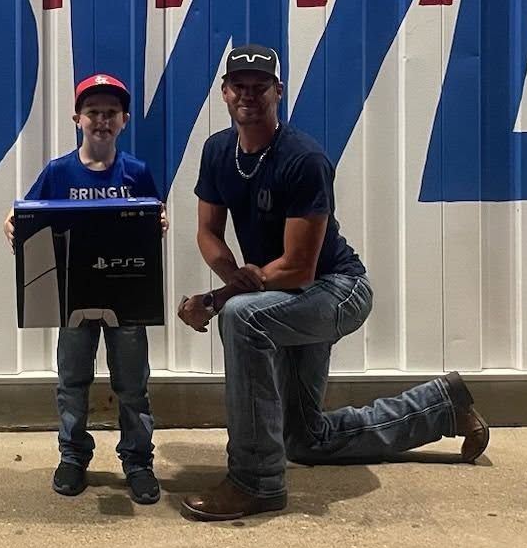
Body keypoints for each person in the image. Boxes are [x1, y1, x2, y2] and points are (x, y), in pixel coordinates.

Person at [175, 44, 490, 522]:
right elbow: (208, 231)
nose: (249, 95)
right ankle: (442, 406)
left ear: (278, 92)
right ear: (224, 93)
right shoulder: (218, 152)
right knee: (306, 439)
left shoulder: (303, 159)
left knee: (242, 319)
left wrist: (217, 299)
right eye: (239, 86)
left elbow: (300, 269)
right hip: (279, 296)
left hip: (336, 289)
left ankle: (255, 481)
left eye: (260, 87)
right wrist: (230, 277)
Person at [4, 73, 169, 505]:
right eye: (93, 112)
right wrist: (13, 224)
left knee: (132, 385)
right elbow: (25, 218)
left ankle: (138, 462)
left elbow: (154, 221)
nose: (102, 120)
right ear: (77, 118)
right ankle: (73, 457)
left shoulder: (137, 172)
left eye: (110, 113)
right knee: (72, 380)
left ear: (124, 120)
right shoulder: (58, 172)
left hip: (127, 296)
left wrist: (160, 224)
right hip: (72, 297)